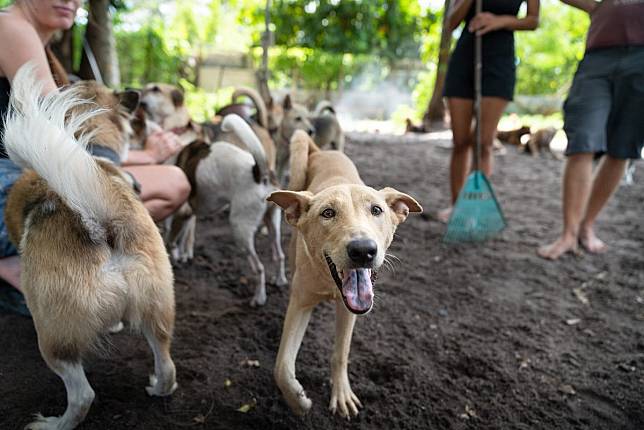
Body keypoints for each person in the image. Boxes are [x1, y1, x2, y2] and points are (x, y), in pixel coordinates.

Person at [0, 0, 190, 307]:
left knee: (168, 183)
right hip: (9, 191)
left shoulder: (38, 44)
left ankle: (72, 264)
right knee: (172, 183)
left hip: (25, 181)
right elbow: (59, 132)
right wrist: (147, 155)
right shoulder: (10, 26)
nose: (70, 1)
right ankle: (26, 263)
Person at [538, 0, 644, 260]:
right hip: (598, 55)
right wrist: (598, 6)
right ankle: (568, 235)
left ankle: (586, 226)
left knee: (623, 148)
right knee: (582, 140)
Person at [438, 0, 539, 222]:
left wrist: (499, 21)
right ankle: (456, 206)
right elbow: (451, 23)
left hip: (499, 60)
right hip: (465, 57)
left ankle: (473, 208)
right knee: (460, 141)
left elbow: (533, 20)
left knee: (483, 143)